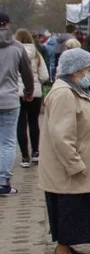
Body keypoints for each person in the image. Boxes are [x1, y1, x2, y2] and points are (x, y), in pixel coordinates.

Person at [40, 48, 90, 254]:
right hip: (68, 169)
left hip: (72, 167)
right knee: (70, 208)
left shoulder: (71, 90)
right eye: (89, 69)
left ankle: (67, 247)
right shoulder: (64, 94)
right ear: (76, 70)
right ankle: (62, 251)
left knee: (75, 209)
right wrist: (75, 163)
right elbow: (62, 135)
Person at [0, 12, 34, 196]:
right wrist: (28, 91)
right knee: (6, 142)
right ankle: (3, 182)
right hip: (10, 100)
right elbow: (27, 73)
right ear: (7, 25)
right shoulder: (17, 47)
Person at [13, 29, 49, 168]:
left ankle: (24, 157)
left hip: (17, 92)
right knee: (34, 122)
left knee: (21, 124)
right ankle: (35, 152)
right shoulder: (37, 55)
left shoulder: (14, 53)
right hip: (35, 93)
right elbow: (45, 76)